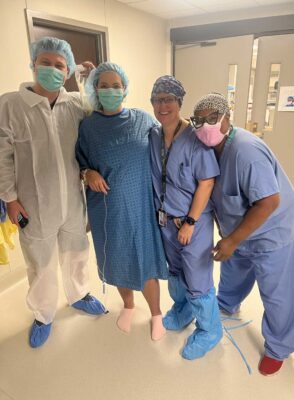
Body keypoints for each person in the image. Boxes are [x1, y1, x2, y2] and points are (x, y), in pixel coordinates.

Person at [0, 37, 106, 348]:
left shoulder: (74, 104)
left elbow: (100, 113)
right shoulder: (9, 105)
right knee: (40, 262)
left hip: (73, 199)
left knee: (76, 252)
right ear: (33, 64)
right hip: (33, 202)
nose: (51, 69)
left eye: (59, 65)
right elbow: (2, 155)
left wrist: (91, 80)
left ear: (68, 70)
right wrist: (10, 198)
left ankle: (78, 295)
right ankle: (44, 314)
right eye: (45, 63)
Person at [192, 92, 294, 375]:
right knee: (234, 272)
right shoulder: (210, 149)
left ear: (228, 117)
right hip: (237, 229)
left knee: (278, 293)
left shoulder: (245, 151)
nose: (205, 126)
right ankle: (227, 304)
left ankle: (279, 347)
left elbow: (268, 202)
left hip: (272, 232)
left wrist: (232, 240)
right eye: (199, 120)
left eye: (212, 119)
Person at [75, 62, 168, 341]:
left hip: (142, 207)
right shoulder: (88, 127)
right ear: (96, 89)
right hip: (108, 208)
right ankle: (128, 306)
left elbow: (169, 145)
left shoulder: (143, 120)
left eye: (116, 85)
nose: (111, 90)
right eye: (104, 85)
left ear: (124, 88)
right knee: (116, 258)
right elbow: (79, 163)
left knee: (146, 259)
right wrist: (87, 172)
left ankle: (156, 313)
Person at [149, 76, 222, 360]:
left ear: (179, 103)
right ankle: (183, 309)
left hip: (193, 223)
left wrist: (190, 222)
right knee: (175, 271)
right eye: (157, 99)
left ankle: (210, 330)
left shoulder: (196, 139)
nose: (162, 105)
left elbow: (206, 182)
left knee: (197, 275)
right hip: (166, 221)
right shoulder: (153, 136)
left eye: (169, 99)